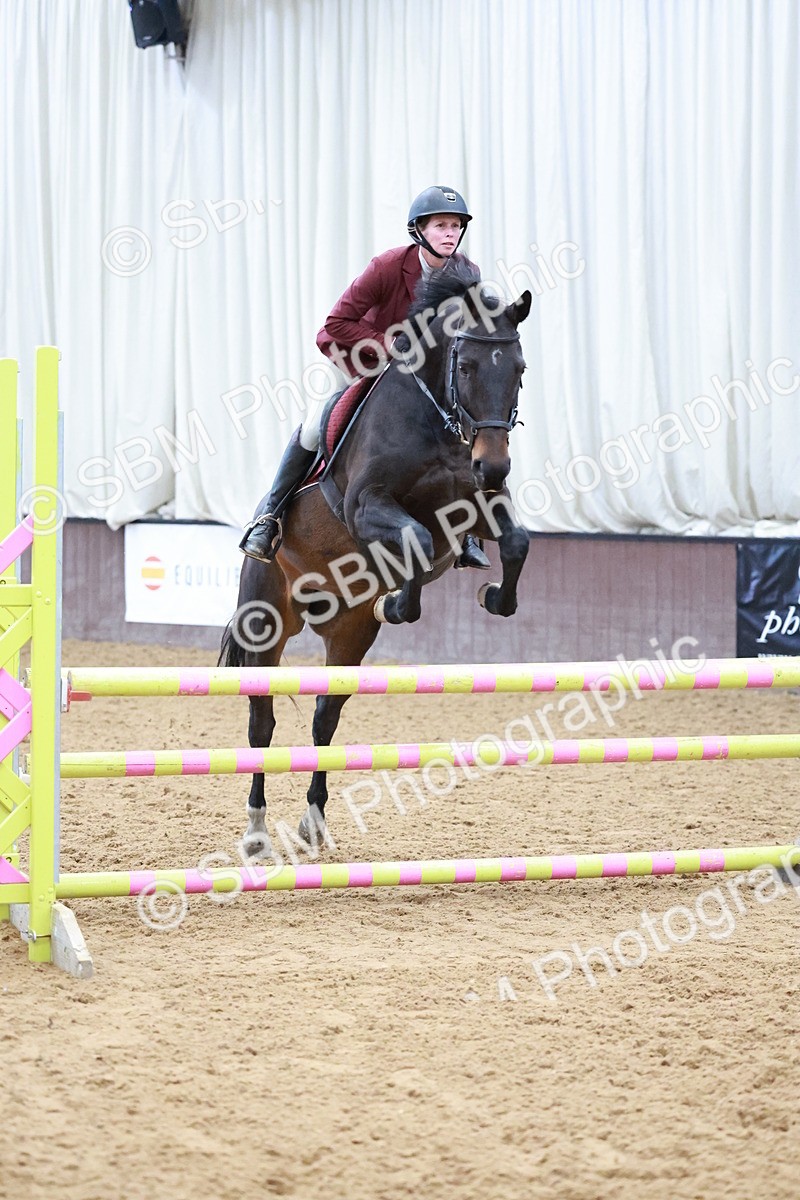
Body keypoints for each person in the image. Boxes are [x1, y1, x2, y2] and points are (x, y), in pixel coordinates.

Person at [239, 185, 490, 569]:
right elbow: (336, 323)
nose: (450, 233)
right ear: (418, 230)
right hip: (360, 358)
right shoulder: (387, 266)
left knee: (466, 422)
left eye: (456, 226)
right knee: (312, 426)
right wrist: (387, 344)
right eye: (441, 225)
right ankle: (270, 515)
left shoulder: (466, 272)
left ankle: (468, 530)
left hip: (422, 375)